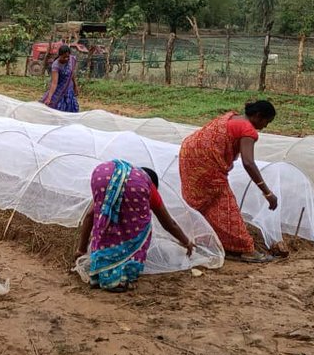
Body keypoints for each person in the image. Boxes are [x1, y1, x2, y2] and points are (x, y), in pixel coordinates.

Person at [178, 100, 280, 263]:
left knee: (205, 202)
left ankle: (193, 238)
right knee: (225, 204)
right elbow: (248, 163)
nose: (265, 126)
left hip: (189, 153)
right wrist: (267, 192)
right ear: (258, 116)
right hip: (205, 162)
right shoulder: (248, 130)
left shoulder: (232, 117)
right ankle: (245, 248)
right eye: (266, 122)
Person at [75, 161, 194, 291]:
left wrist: (80, 250)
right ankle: (123, 275)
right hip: (107, 177)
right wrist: (186, 241)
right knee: (141, 224)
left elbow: (90, 215)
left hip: (101, 177)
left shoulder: (113, 182)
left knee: (107, 218)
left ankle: (99, 272)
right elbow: (169, 223)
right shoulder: (147, 186)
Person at [41, 44, 79, 112]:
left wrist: (75, 86)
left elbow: (72, 73)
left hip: (69, 90)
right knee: (57, 109)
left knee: (69, 110)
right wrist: (49, 98)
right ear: (60, 55)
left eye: (67, 57)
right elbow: (54, 83)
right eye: (64, 57)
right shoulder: (56, 65)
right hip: (59, 90)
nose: (66, 59)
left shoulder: (71, 60)